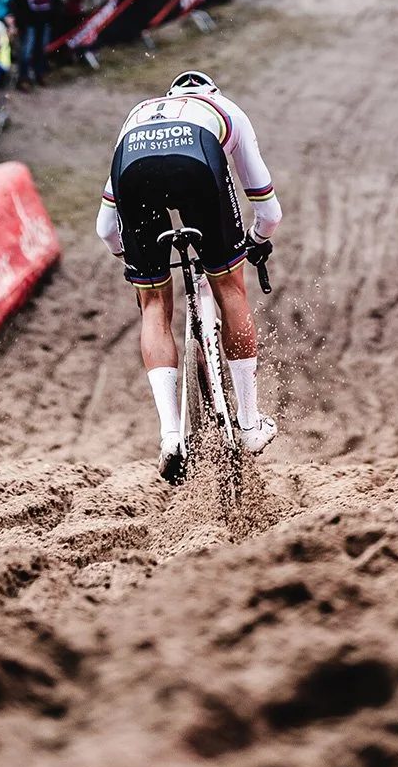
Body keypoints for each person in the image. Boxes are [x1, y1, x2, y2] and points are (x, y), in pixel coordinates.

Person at [96, 69, 281, 482]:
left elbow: (105, 229)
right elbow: (269, 209)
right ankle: (249, 425)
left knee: (154, 305)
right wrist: (253, 240)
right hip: (197, 163)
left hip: (133, 168)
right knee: (231, 287)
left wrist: (133, 260)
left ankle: (170, 436)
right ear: (211, 92)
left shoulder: (139, 114)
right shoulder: (225, 109)